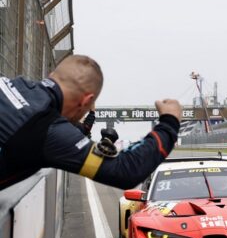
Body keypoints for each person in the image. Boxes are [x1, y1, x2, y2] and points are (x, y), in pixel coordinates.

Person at [0, 54, 181, 191]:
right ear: (86, 101)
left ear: (52, 75)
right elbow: (125, 170)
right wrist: (169, 123)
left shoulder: (10, 82)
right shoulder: (48, 129)